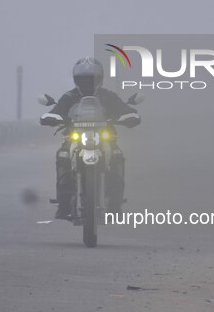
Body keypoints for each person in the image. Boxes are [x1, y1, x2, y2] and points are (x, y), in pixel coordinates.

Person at [40, 57, 141, 219]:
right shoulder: (68, 97)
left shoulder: (109, 96)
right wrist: (50, 116)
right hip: (74, 138)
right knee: (63, 155)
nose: (87, 82)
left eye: (91, 79)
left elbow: (125, 109)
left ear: (100, 79)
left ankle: (115, 202)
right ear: (76, 79)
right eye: (83, 79)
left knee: (116, 155)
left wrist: (131, 116)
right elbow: (56, 111)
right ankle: (64, 202)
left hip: (105, 138)